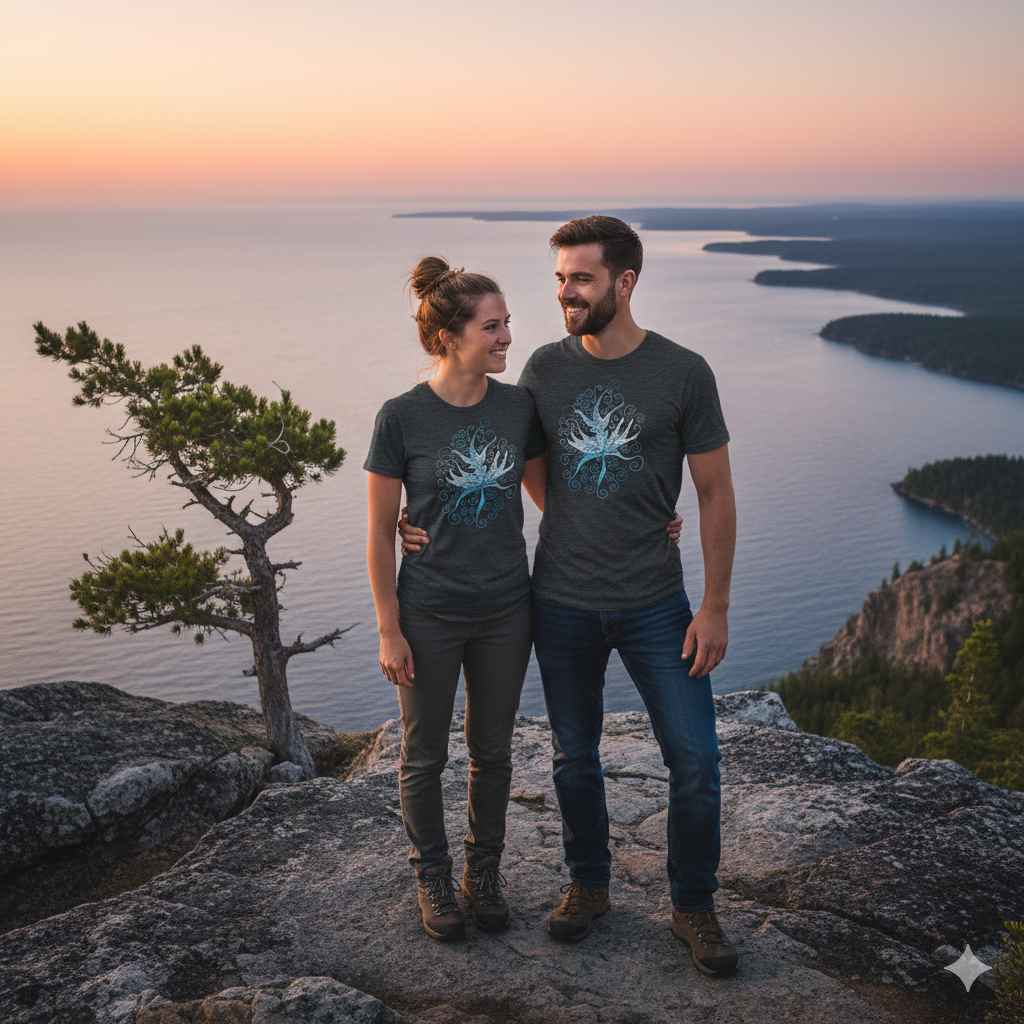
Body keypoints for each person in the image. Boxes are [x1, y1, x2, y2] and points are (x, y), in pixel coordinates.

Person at [399, 217, 739, 977]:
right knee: (573, 758)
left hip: (660, 604)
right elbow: (489, 452)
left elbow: (715, 494)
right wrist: (409, 516)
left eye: (579, 278)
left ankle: (693, 903)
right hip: (559, 601)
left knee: (695, 759)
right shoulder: (545, 373)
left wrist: (714, 605)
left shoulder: (684, 372)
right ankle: (589, 885)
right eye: (558, 279)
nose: (564, 293)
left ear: (624, 282)